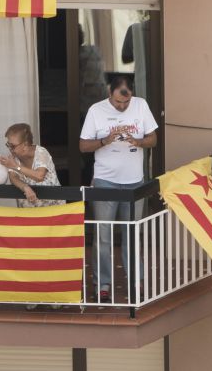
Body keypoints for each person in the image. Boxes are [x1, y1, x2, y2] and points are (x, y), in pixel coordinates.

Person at [79, 72, 159, 301]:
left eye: (126, 102)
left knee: (132, 233)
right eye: (117, 102)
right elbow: (83, 146)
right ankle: (103, 284)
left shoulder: (141, 106)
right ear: (109, 94)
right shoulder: (96, 110)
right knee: (103, 235)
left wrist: (139, 141)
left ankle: (136, 282)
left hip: (135, 182)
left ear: (132, 94)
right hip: (105, 180)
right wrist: (105, 140)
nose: (122, 106)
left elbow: (153, 139)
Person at [0, 122, 63, 208]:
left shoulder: (41, 153)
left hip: (53, 211)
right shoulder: (15, 157)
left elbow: (39, 176)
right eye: (8, 145)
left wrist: (16, 166)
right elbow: (13, 178)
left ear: (25, 145)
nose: (10, 149)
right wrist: (25, 187)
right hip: (29, 214)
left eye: (12, 146)